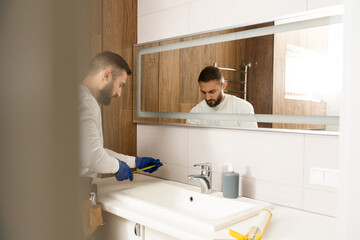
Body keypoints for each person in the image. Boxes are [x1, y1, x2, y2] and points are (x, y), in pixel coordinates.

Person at [79, 51, 162, 181]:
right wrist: (117, 167)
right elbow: (93, 157)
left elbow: (94, 150)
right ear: (107, 75)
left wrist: (135, 162)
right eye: (120, 85)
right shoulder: (86, 102)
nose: (119, 94)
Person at [186, 66, 258, 128]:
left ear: (223, 86)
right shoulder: (195, 113)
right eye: (204, 92)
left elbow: (251, 139)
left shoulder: (243, 107)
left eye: (212, 92)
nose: (207, 97)